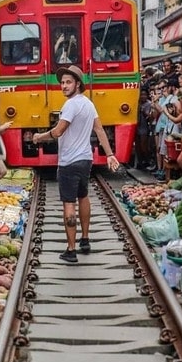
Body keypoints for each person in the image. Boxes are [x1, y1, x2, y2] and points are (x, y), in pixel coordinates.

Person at [32, 65, 119, 263]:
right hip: (85, 159)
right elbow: (99, 130)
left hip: (69, 162)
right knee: (84, 195)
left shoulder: (71, 105)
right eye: (62, 82)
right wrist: (110, 154)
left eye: (68, 82)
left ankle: (71, 251)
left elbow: (59, 130)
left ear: (77, 84)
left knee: (69, 203)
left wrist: (40, 137)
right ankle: (85, 239)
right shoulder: (89, 104)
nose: (63, 86)